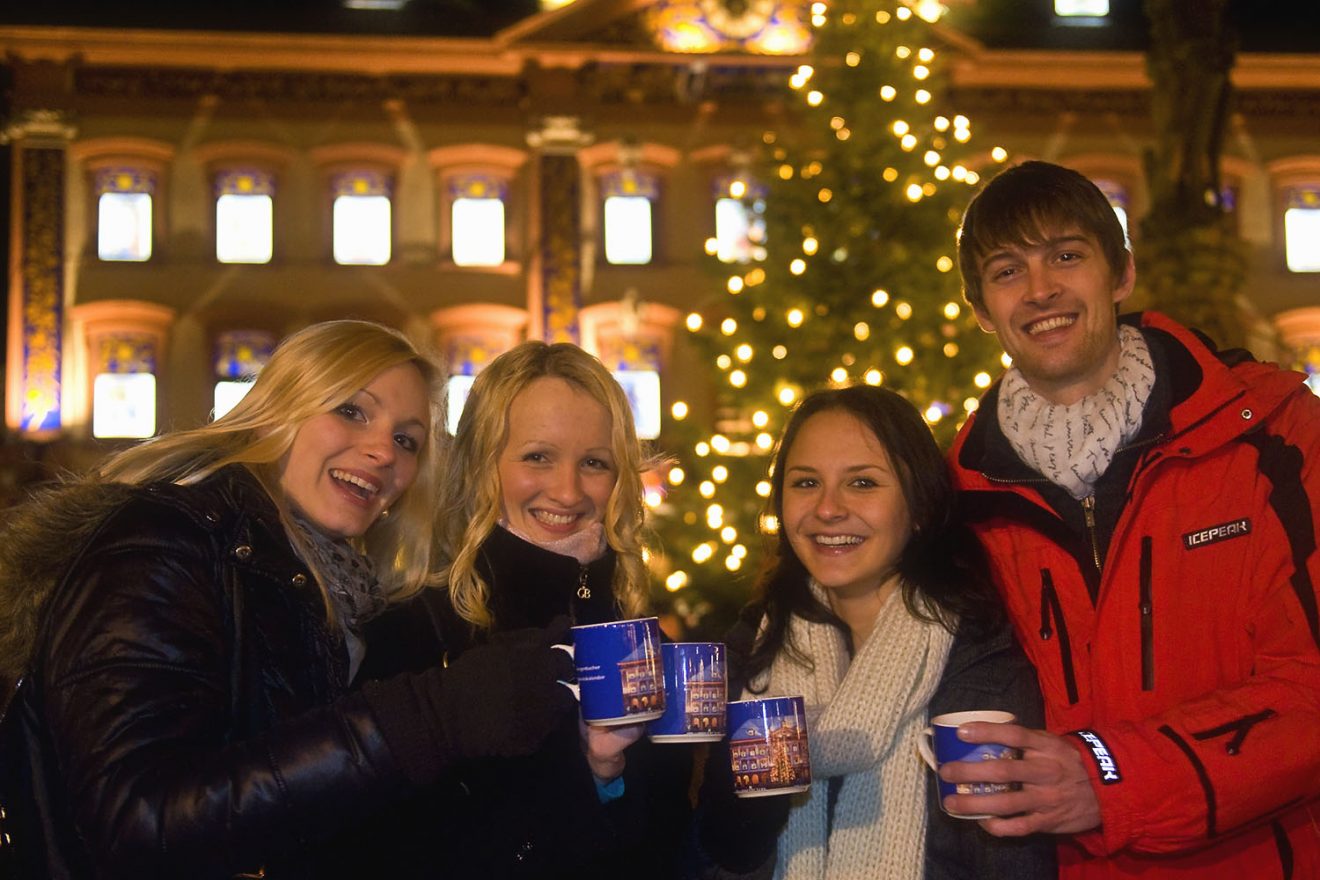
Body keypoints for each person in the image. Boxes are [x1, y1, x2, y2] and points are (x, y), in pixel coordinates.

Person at [0, 320, 578, 879]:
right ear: (281, 409)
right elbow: (139, 824)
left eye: (406, 440)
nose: (384, 452)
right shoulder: (166, 543)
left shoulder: (341, 590)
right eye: (351, 411)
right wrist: (424, 718)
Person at [946, 159, 1320, 877]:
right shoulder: (960, 501)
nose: (1040, 290)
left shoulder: (1272, 436)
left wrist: (1111, 779)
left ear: (1121, 273)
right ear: (982, 310)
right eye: (1007, 271)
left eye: (1066, 255)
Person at [354, 340, 691, 879]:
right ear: (481, 463)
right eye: (538, 457)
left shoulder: (640, 637)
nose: (568, 491)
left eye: (594, 463)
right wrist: (585, 780)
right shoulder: (414, 625)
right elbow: (384, 845)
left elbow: (669, 843)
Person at [690, 385, 1054, 880]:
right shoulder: (755, 640)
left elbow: (1009, 857)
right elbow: (725, 850)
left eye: (862, 483)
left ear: (920, 507)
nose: (827, 509)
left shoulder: (975, 652)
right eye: (805, 483)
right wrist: (757, 792)